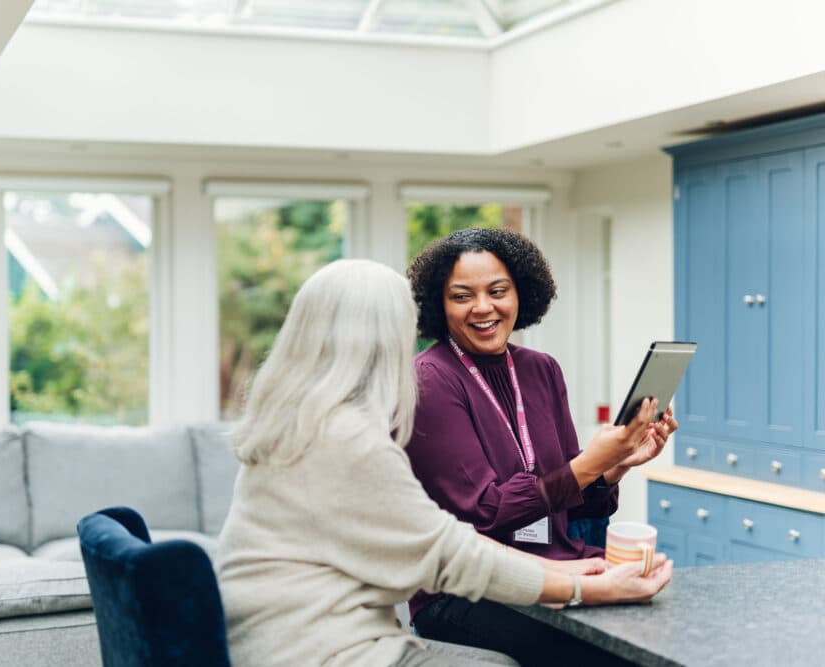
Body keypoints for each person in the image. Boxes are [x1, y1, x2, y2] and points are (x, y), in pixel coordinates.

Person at [217, 258, 673, 667]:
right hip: (323, 649)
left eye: (497, 291)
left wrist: (606, 476)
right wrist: (583, 587)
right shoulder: (350, 436)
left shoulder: (295, 424)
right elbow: (450, 552)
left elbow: (440, 537)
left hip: (279, 640)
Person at [405, 227, 678, 663]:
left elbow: (578, 504)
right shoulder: (428, 379)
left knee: (663, 636)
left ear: (522, 294)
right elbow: (486, 513)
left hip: (563, 565)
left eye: (498, 291)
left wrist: (617, 464)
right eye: (461, 296)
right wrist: (590, 463)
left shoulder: (541, 369)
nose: (483, 308)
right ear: (438, 304)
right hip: (467, 593)